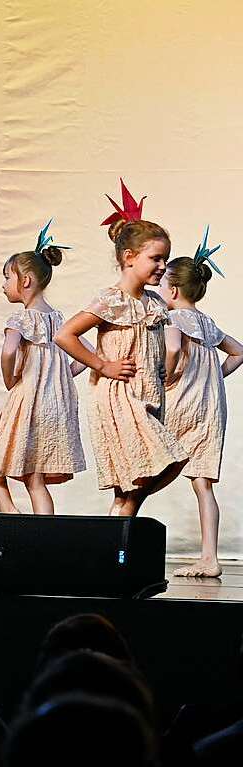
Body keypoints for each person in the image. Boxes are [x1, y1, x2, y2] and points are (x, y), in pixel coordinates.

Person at [56, 180, 186, 516]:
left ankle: (116, 544)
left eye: (165, 259)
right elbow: (65, 335)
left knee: (129, 486)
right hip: (119, 396)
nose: (162, 266)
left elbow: (156, 349)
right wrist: (103, 365)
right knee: (164, 463)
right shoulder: (112, 300)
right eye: (155, 258)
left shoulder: (155, 303)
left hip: (149, 394)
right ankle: (117, 540)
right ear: (129, 257)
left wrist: (162, 373)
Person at [0, 220, 87, 515]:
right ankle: (44, 536)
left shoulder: (21, 319)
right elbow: (85, 353)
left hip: (26, 400)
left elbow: (8, 352)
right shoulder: (58, 319)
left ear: (24, 280)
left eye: (6, 277)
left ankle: (13, 519)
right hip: (55, 404)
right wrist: (64, 374)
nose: (3, 285)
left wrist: (10, 378)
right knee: (35, 479)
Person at [157, 227, 243, 577]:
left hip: (184, 405)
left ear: (173, 290)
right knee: (202, 482)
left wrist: (167, 376)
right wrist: (214, 378)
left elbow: (174, 348)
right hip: (212, 409)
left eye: (161, 284)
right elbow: (238, 352)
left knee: (149, 467)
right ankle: (211, 557)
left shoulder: (174, 317)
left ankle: (120, 533)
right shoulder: (207, 322)